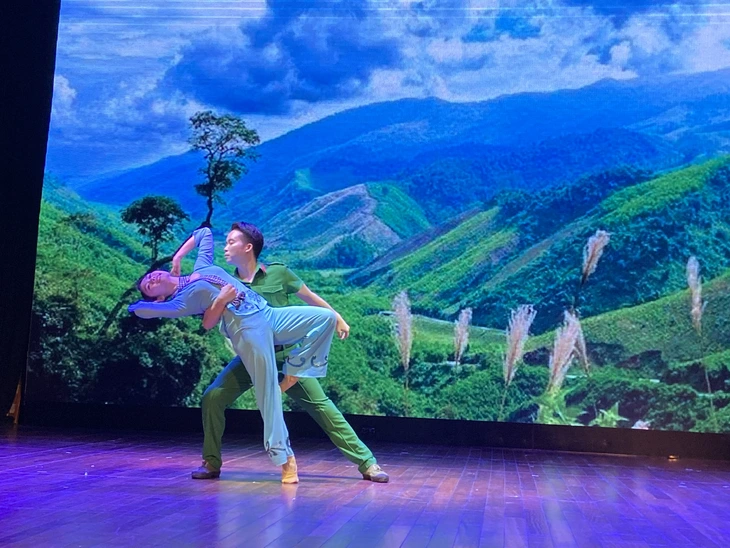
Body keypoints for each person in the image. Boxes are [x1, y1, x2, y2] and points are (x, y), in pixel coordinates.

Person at [129, 227, 337, 483]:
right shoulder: (180, 302)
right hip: (248, 330)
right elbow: (143, 310)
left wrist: (178, 256)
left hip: (268, 313)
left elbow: (204, 233)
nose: (151, 279)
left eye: (150, 276)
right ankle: (285, 459)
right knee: (269, 393)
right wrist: (218, 301)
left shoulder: (201, 267)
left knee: (326, 318)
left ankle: (295, 370)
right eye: (148, 286)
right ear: (158, 297)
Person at [187, 222, 389, 483]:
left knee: (323, 408)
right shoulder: (224, 283)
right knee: (213, 397)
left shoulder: (278, 273)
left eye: (230, 242)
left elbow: (310, 297)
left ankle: (367, 463)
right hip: (251, 359)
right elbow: (209, 321)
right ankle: (211, 462)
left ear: (248, 247)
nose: (224, 247)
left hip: (287, 357)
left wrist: (337, 317)